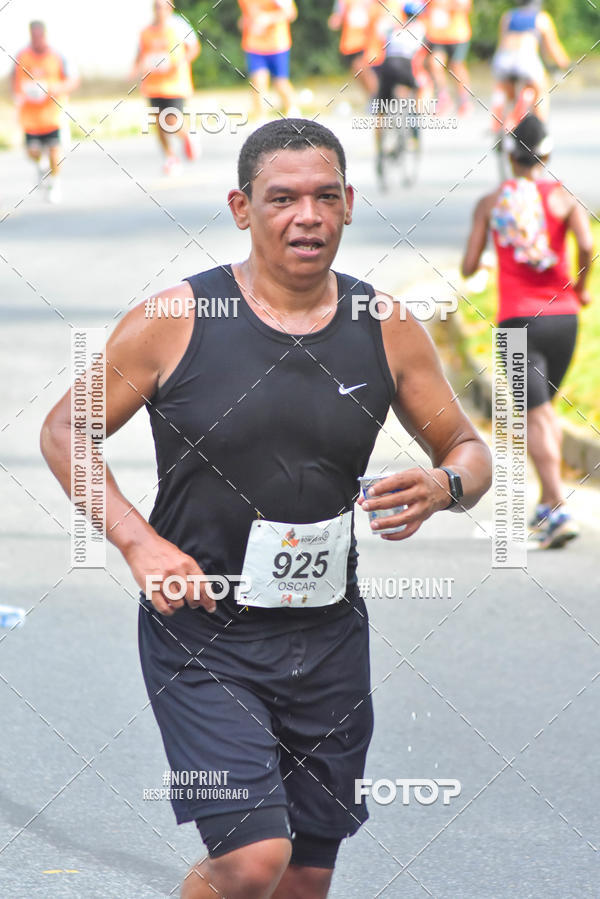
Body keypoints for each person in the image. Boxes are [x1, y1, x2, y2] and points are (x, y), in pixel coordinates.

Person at [41, 118, 492, 898]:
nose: (306, 216)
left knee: (306, 874)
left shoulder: (384, 327)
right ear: (243, 208)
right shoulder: (176, 320)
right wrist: (137, 542)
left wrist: (449, 485)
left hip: (327, 637)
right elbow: (64, 429)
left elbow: (469, 448)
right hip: (202, 632)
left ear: (350, 204)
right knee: (253, 860)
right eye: (282, 198)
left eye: (324, 196)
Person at [461, 114, 594, 550]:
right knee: (545, 410)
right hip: (565, 320)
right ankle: (545, 503)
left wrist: (486, 261)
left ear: (510, 157)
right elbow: (589, 247)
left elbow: (468, 265)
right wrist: (582, 288)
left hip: (518, 321)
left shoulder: (492, 203)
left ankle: (556, 505)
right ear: (548, 153)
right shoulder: (564, 199)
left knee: (536, 414)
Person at [11, 20, 79, 204]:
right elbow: (14, 82)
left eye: (40, 36)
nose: (37, 40)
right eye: (34, 36)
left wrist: (56, 87)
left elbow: (73, 80)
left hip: (52, 114)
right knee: (32, 151)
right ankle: (41, 167)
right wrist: (20, 95)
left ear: (45, 35)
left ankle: (55, 184)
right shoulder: (22, 57)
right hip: (31, 116)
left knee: (54, 151)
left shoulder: (57, 56)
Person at [133, 0, 201, 175]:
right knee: (159, 123)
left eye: (163, 6)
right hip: (153, 84)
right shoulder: (146, 30)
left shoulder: (179, 26)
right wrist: (137, 69)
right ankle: (170, 158)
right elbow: (140, 54)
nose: (160, 10)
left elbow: (194, 48)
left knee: (171, 120)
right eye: (156, 7)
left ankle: (187, 136)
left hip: (174, 84)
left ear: (170, 8)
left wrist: (181, 62)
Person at [490, 0, 570, 132]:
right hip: (526, 60)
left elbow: (501, 41)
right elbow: (553, 47)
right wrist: (564, 64)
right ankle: (541, 129)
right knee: (541, 92)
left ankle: (503, 123)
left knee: (509, 95)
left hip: (503, 60)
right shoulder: (541, 18)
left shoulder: (508, 17)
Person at [238, 0, 299, 120]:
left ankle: (293, 111)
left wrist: (268, 19)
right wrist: (245, 22)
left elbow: (291, 13)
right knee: (258, 81)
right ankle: (261, 119)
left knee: (280, 82)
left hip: (277, 44)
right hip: (253, 44)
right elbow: (248, 14)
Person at [424, 0, 472, 115]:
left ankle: (464, 99)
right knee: (435, 64)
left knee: (456, 66)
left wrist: (444, 5)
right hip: (437, 36)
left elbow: (464, 6)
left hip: (457, 35)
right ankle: (443, 98)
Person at [327, 0, 377, 101]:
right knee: (358, 72)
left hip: (366, 41)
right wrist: (335, 20)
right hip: (350, 43)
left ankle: (379, 100)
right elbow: (338, 16)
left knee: (364, 70)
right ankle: (373, 99)